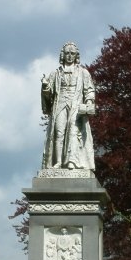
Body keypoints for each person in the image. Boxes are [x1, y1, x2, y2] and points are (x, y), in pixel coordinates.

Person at [41, 42, 95, 170]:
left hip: (75, 104)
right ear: (63, 55)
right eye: (67, 53)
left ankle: (72, 161)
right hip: (60, 104)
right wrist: (45, 87)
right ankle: (58, 162)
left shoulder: (83, 72)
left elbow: (89, 89)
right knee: (59, 133)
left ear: (76, 55)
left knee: (73, 131)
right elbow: (49, 94)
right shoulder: (55, 73)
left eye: (72, 53)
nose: (69, 56)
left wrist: (89, 101)